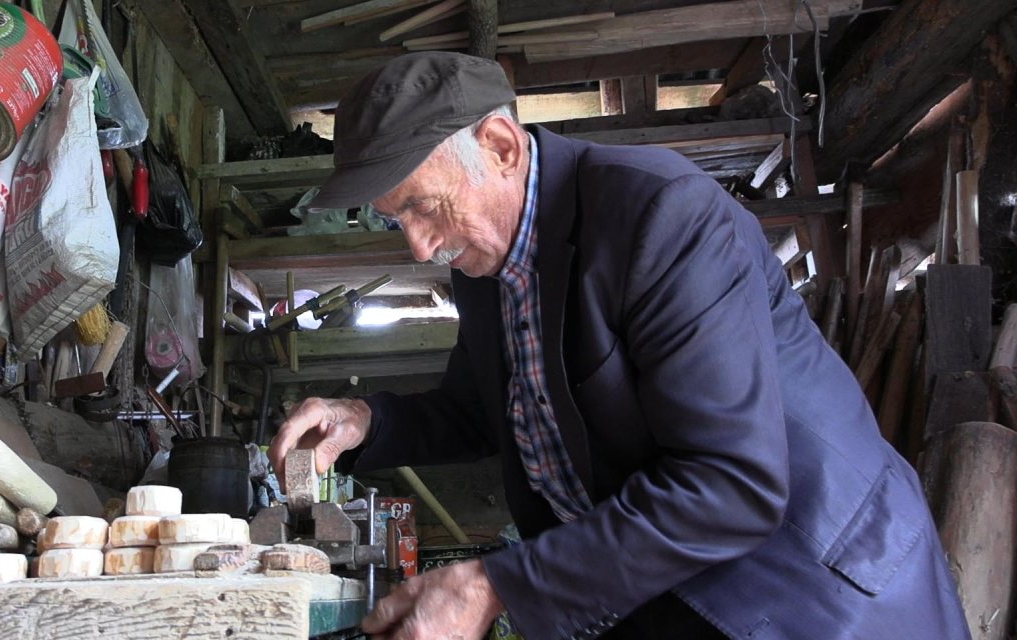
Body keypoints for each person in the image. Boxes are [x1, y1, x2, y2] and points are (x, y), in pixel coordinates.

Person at [268, 52, 967, 640]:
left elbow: (733, 485)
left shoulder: (663, 220)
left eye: (423, 205)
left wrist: (497, 582)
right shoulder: (485, 264)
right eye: (398, 221)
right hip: (666, 588)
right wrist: (367, 421)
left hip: (809, 593)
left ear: (502, 148)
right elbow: (486, 409)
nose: (420, 247)